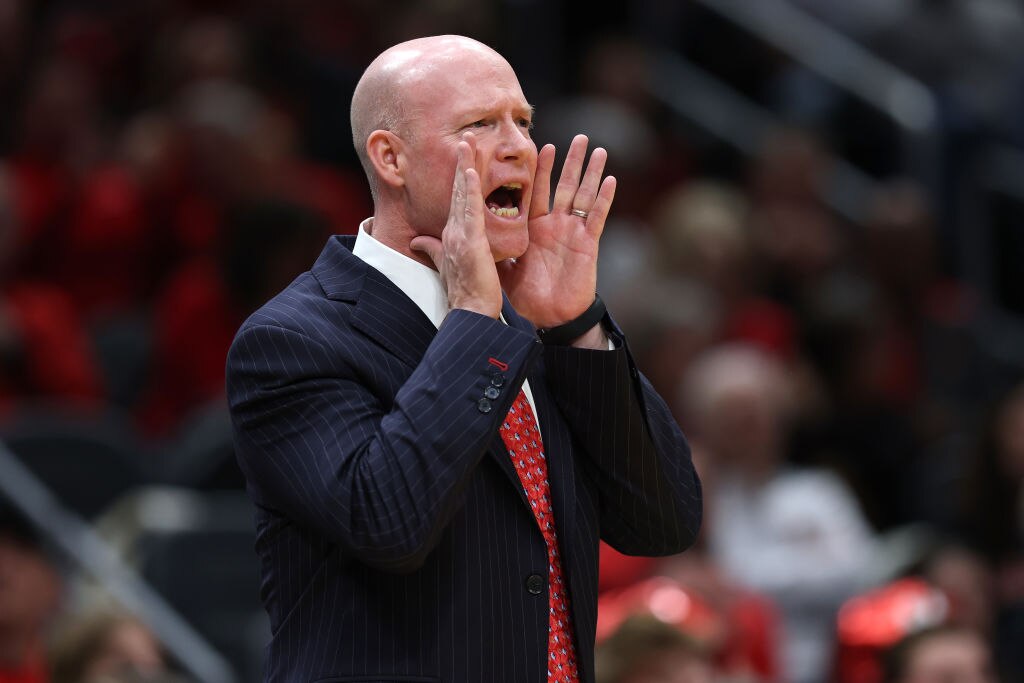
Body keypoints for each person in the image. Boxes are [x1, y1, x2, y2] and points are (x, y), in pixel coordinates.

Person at [226, 34, 702, 683]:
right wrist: (475, 321)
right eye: (480, 124)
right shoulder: (295, 339)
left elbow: (663, 519)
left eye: (524, 122)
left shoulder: (535, 328)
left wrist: (576, 323)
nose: (518, 147)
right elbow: (389, 521)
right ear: (391, 158)